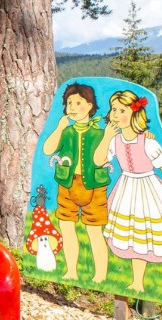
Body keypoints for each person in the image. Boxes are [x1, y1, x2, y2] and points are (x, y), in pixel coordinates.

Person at [93, 89, 162, 300]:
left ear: (134, 113)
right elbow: (98, 160)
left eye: (121, 110)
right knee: (136, 236)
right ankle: (137, 282)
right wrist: (106, 137)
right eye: (113, 109)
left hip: (151, 190)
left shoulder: (147, 142)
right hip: (127, 190)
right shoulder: (114, 141)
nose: (115, 114)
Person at [41, 82, 110, 282]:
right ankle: (71, 270)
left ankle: (100, 275)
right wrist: (59, 128)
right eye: (69, 103)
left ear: (89, 105)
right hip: (67, 183)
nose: (71, 107)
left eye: (77, 102)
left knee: (95, 231)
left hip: (94, 186)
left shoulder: (99, 133)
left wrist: (107, 138)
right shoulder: (67, 132)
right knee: (67, 227)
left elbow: (102, 158)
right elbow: (48, 149)